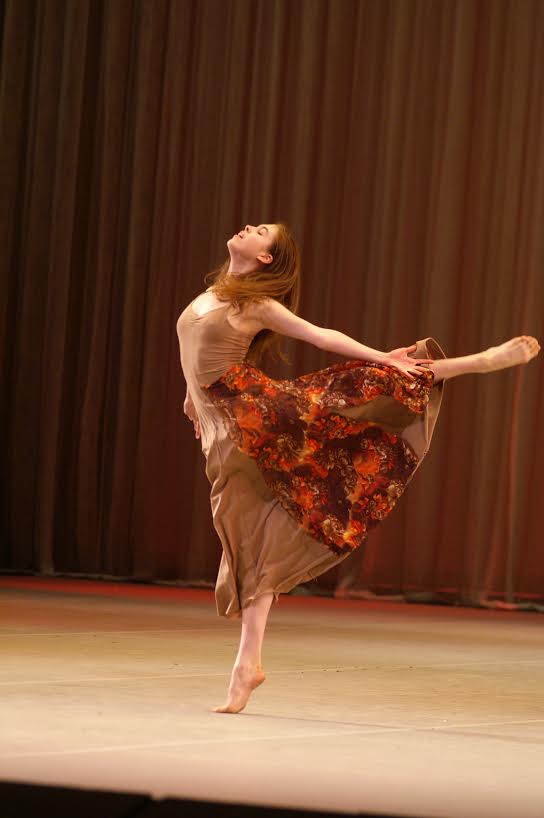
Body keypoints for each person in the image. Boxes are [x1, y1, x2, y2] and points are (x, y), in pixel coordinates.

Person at [176, 222, 540, 714]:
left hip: (252, 412)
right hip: (223, 426)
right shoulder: (212, 294)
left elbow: (320, 336)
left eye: (261, 231)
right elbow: (194, 355)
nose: (248, 228)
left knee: (357, 387)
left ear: (265, 258)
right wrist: (191, 398)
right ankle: (248, 664)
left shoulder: (256, 304)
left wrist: (381, 356)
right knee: (247, 534)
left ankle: (467, 363)